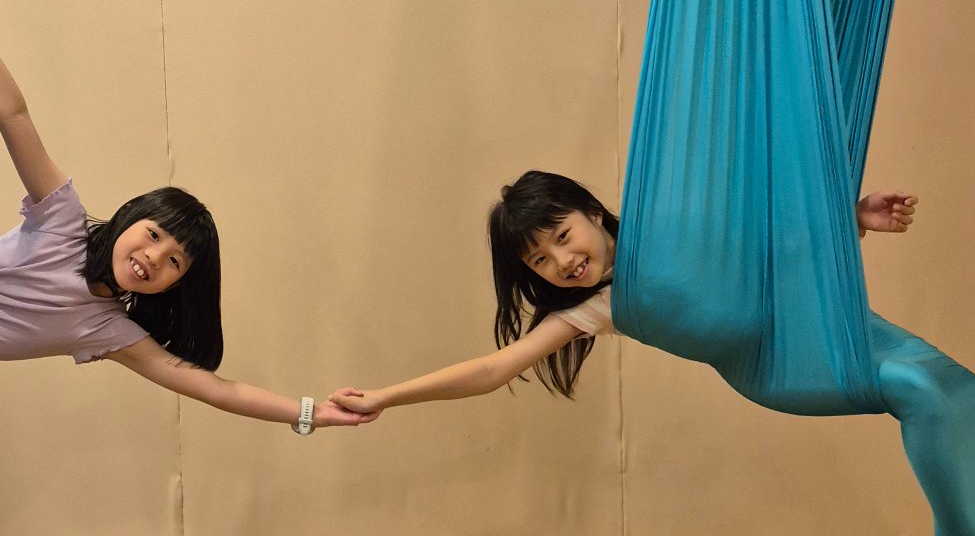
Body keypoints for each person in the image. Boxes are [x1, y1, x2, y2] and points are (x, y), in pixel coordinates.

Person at [0, 0, 366, 433]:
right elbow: (13, 116)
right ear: (129, 217)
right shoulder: (61, 219)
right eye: (154, 234)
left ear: (174, 286)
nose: (153, 257)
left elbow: (214, 389)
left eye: (174, 263)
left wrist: (311, 413)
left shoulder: (106, 330)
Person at [332, 169, 916, 415]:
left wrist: (852, 218)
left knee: (946, 394)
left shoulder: (668, 231)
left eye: (562, 236)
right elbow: (491, 370)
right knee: (911, 389)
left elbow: (769, 247)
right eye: (539, 259)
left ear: (591, 213)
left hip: (809, 329)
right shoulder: (593, 308)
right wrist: (385, 396)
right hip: (773, 371)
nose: (562, 261)